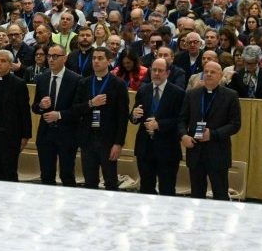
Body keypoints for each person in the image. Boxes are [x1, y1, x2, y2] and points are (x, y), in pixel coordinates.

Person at [180, 60, 242, 200]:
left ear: (220, 76)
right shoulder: (192, 94)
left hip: (218, 152)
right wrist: (183, 135)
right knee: (196, 195)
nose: (208, 74)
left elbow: (235, 124)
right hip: (195, 151)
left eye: (212, 72)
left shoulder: (231, 95)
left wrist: (213, 134)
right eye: (206, 72)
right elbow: (181, 120)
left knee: (220, 195)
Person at [74, 47, 129, 191]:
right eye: (94, 58)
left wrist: (118, 143)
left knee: (110, 182)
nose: (96, 61)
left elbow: (122, 117)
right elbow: (75, 109)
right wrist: (91, 103)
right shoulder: (84, 83)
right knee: (89, 181)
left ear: (109, 61)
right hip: (88, 139)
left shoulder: (118, 84)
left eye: (100, 58)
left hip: (108, 140)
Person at [131, 56, 186, 195]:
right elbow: (134, 116)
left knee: (167, 190)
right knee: (146, 189)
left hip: (167, 149)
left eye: (160, 70)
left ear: (167, 73)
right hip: (145, 147)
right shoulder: (143, 90)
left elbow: (181, 120)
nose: (156, 73)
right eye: (154, 70)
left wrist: (159, 125)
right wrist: (134, 115)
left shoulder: (177, 93)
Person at [33, 43, 81, 186]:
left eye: (55, 56)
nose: (50, 59)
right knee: (46, 175)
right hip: (45, 133)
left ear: (64, 58)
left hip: (67, 133)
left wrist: (59, 115)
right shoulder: (42, 78)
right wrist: (41, 106)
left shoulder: (76, 79)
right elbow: (35, 107)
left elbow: (78, 110)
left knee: (67, 175)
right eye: (49, 56)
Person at [0, 49, 31, 182]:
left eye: (3, 61)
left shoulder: (18, 84)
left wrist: (25, 136)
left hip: (10, 136)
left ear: (10, 65)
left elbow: (24, 111)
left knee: (9, 173)